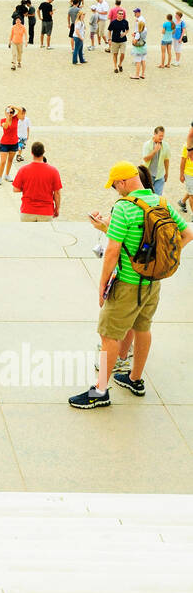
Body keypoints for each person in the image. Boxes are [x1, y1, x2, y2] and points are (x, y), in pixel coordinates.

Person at [70, 162, 191, 408]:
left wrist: (102, 286)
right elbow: (187, 233)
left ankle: (100, 391)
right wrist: (163, 259)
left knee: (109, 335)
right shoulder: (162, 202)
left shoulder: (124, 208)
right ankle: (135, 379)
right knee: (143, 327)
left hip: (127, 283)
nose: (116, 191)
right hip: (152, 282)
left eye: (115, 186)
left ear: (123, 182)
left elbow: (113, 251)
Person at [13, 142, 61, 221]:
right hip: (46, 211)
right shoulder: (53, 171)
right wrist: (57, 208)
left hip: (27, 210)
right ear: (43, 152)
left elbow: (16, 189)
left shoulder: (23, 170)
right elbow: (57, 193)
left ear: (32, 153)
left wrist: (27, 187)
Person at [0, 105, 24, 184]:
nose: (10, 114)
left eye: (11, 112)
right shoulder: (3, 120)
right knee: (3, 161)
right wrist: (8, 118)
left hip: (14, 143)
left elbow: (21, 110)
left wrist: (13, 106)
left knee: (10, 160)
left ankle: (7, 175)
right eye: (8, 112)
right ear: (5, 112)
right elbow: (5, 127)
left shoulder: (16, 118)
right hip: (4, 143)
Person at [142, 126, 170, 195]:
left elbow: (166, 160)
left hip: (160, 176)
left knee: (158, 197)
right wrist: (155, 151)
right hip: (148, 175)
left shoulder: (166, 145)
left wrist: (166, 173)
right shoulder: (147, 145)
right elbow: (145, 159)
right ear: (154, 134)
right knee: (148, 196)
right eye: (160, 136)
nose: (161, 138)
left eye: (163, 136)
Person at [108, 6, 129, 73]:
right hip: (115, 41)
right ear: (117, 14)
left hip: (123, 41)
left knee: (123, 54)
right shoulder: (113, 22)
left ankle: (120, 64)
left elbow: (127, 29)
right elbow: (109, 30)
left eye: (122, 14)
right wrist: (109, 39)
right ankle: (115, 67)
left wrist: (125, 33)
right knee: (115, 54)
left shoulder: (125, 22)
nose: (121, 15)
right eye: (119, 13)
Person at [130, 9, 147, 80]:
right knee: (143, 60)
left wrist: (133, 38)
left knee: (138, 61)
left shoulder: (138, 33)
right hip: (144, 46)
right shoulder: (145, 30)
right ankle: (142, 74)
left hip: (138, 48)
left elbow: (134, 42)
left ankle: (137, 75)